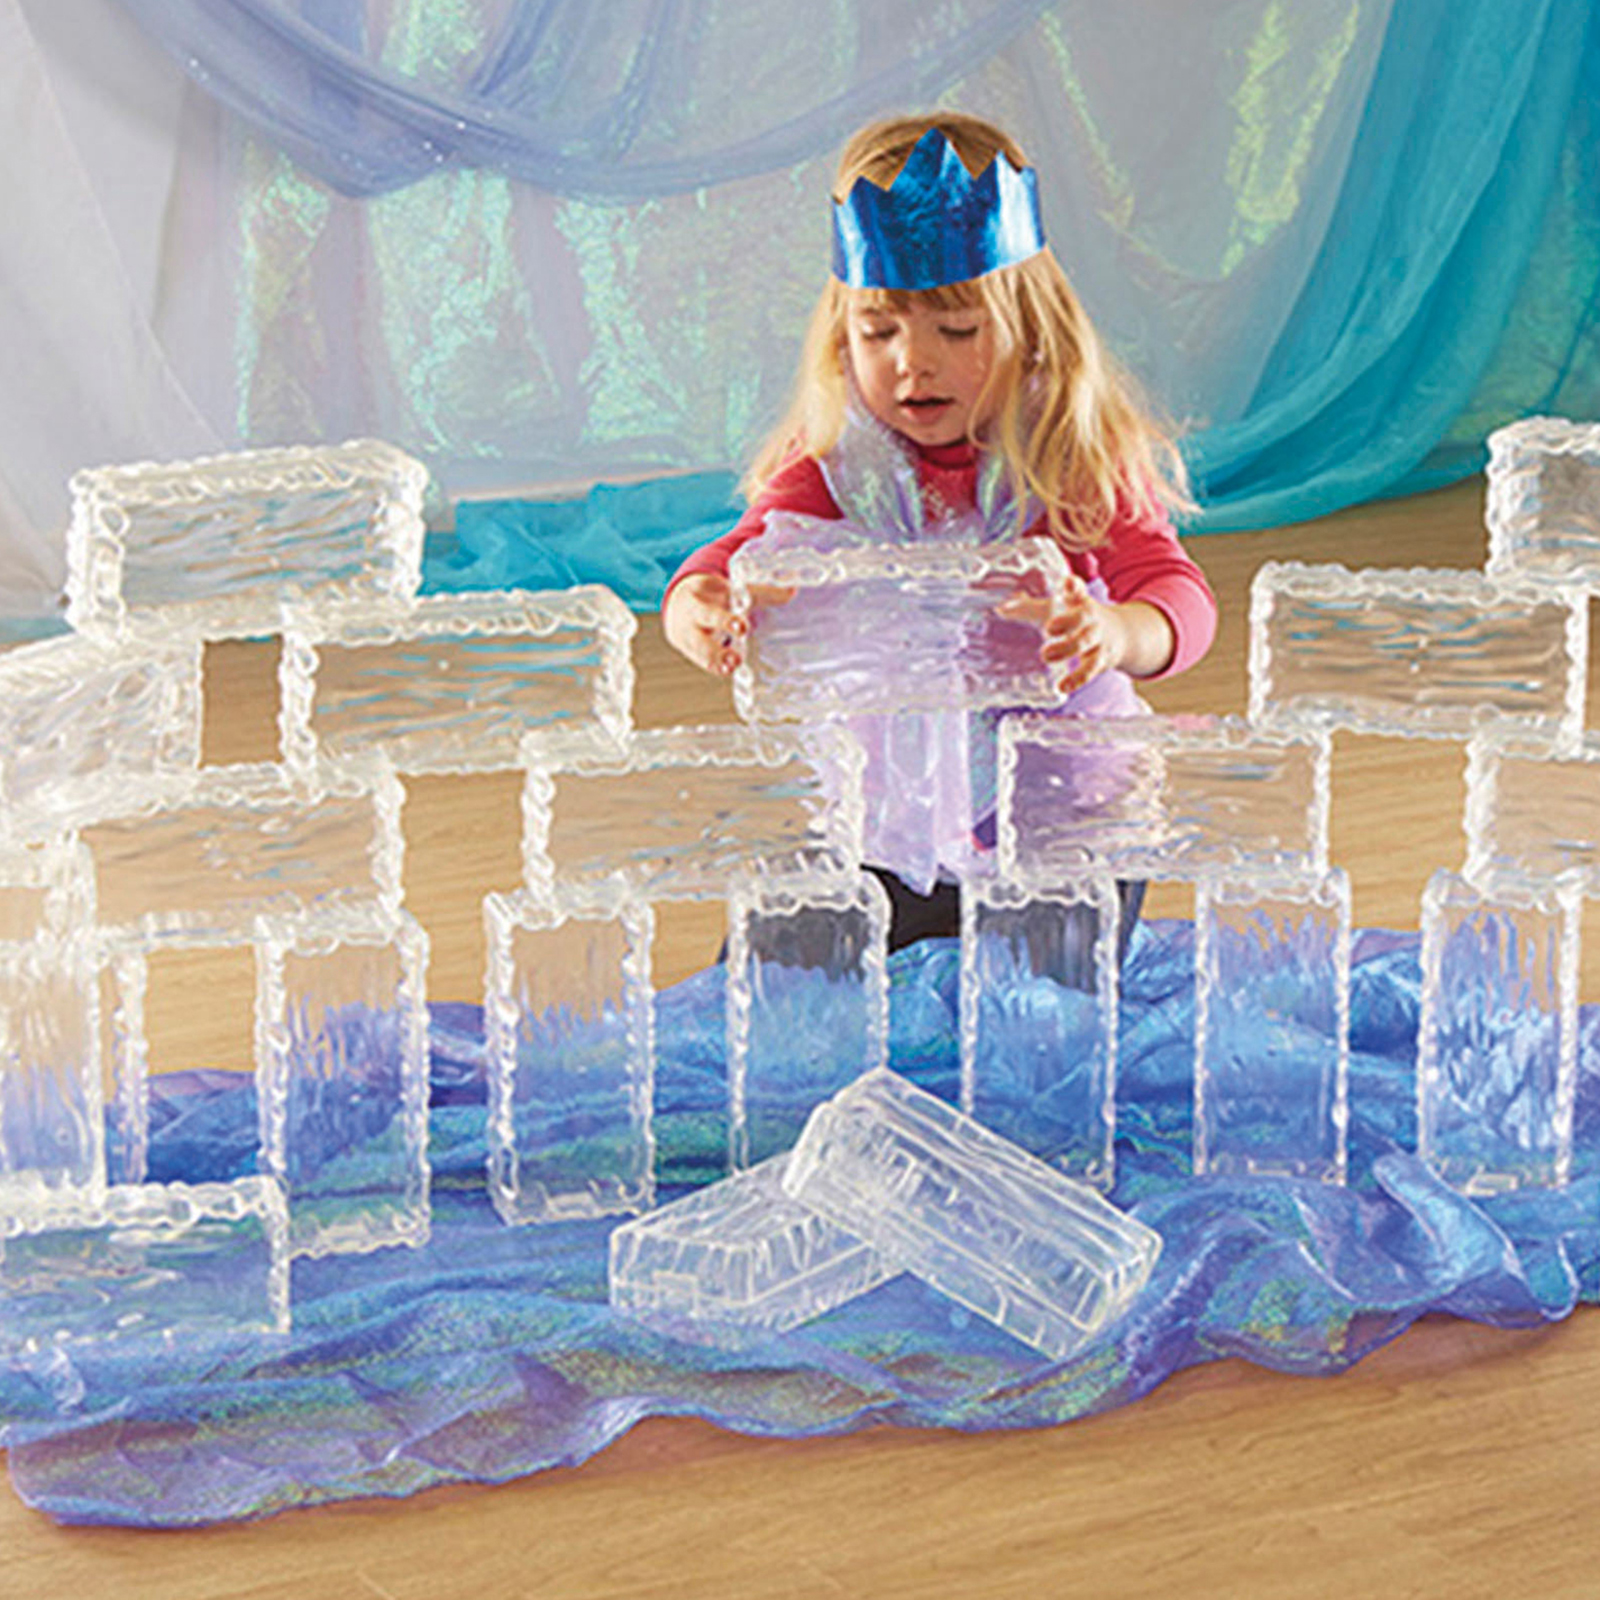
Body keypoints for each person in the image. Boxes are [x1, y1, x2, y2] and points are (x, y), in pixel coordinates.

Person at [663, 112, 1217, 956]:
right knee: (767, 976)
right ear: (842, 333)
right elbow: (731, 557)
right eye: (878, 331)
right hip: (887, 826)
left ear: (1031, 328)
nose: (911, 362)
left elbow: (1180, 597)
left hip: (1064, 823)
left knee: (1036, 1007)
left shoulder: (1071, 452)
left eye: (956, 331)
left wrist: (1115, 632)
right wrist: (697, 606)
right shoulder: (836, 460)